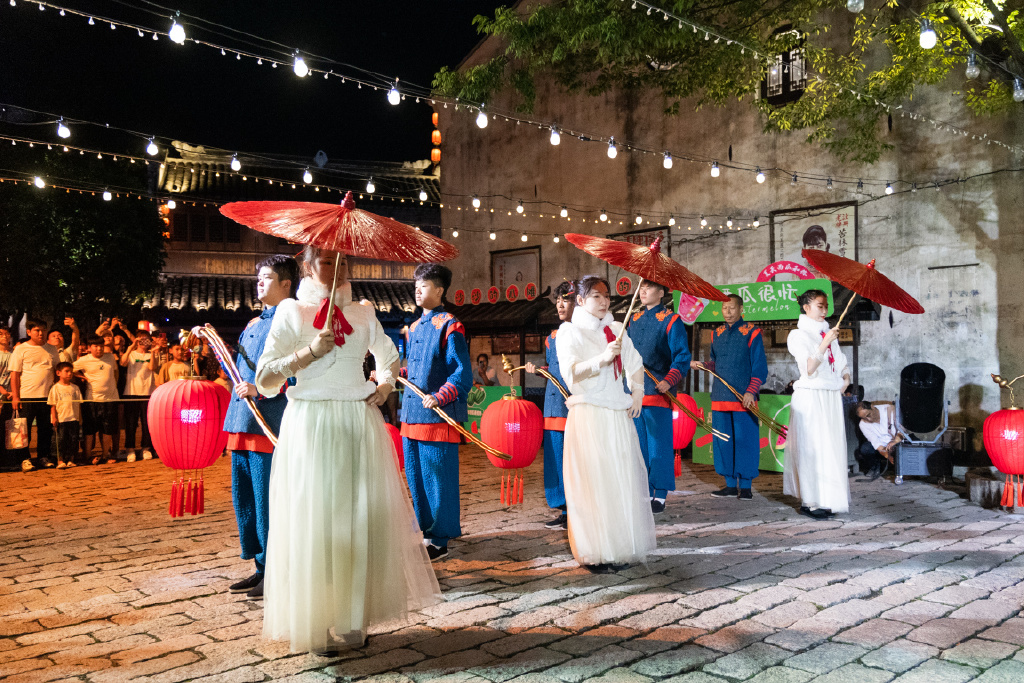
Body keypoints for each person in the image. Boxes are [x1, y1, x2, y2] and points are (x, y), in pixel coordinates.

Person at [256, 246, 440, 655]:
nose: (338, 268)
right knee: (316, 523)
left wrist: (386, 385)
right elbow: (265, 378)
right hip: (311, 424)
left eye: (345, 260)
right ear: (306, 265)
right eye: (325, 260)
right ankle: (316, 623)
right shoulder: (291, 312)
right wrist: (308, 353)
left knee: (358, 519)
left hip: (357, 422)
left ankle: (353, 619)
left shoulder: (362, 312)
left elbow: (390, 355)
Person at [556, 275, 656, 573]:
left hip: (616, 413)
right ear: (582, 301)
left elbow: (635, 363)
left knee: (619, 480)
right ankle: (595, 551)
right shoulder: (569, 332)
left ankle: (620, 546)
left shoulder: (616, 329)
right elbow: (571, 373)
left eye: (607, 296)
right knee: (593, 483)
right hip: (589, 413)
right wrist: (601, 359)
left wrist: (637, 391)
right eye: (596, 296)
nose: (604, 301)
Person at [224, 254, 298, 600]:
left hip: (270, 422)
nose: (260, 283)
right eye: (258, 278)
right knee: (246, 500)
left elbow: (297, 372)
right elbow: (239, 370)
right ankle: (259, 566)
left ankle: (277, 569)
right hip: (242, 421)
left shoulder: (294, 322)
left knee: (269, 501)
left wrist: (261, 388)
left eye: (267, 278)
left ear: (287, 283)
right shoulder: (252, 324)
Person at [401, 264, 473, 562]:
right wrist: (394, 372)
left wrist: (442, 395)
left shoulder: (450, 325)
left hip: (436, 416)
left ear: (440, 290)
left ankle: (440, 539)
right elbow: (415, 369)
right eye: (416, 284)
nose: (418, 289)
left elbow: (462, 372)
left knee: (438, 479)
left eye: (425, 285)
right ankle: (427, 532)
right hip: (410, 414)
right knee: (417, 478)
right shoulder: (414, 328)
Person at [692, 294, 768, 500]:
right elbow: (715, 364)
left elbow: (760, 368)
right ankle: (729, 485)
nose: (728, 312)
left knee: (745, 441)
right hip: (719, 396)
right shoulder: (716, 334)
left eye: (732, 308)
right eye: (725, 308)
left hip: (744, 397)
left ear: (741, 308)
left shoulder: (752, 332)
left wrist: (751, 391)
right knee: (722, 441)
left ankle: (745, 486)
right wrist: (703, 365)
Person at [783, 289, 851, 519]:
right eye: (819, 306)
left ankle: (827, 498)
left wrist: (846, 378)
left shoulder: (827, 332)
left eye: (826, 306)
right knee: (812, 448)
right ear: (806, 307)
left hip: (830, 396)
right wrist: (824, 343)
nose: (824, 310)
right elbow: (809, 368)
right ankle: (810, 501)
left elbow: (839, 362)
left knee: (829, 449)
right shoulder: (798, 335)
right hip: (811, 397)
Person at [627, 279, 691, 513]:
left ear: (662, 292)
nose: (643, 291)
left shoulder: (672, 320)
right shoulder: (632, 319)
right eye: (641, 287)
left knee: (658, 447)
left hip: (657, 390)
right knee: (638, 446)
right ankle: (642, 490)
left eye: (649, 287)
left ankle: (660, 493)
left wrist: (669, 380)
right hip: (633, 391)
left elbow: (682, 356)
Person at [524, 280, 575, 529]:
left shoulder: (582, 333)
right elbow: (553, 369)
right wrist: (539, 370)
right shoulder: (551, 337)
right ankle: (563, 510)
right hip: (552, 406)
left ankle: (578, 510)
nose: (560, 305)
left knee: (572, 461)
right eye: (558, 301)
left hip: (573, 407)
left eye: (566, 300)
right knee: (554, 461)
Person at [9, 318, 60, 471]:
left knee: (45, 429)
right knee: (24, 430)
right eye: (37, 330)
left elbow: (56, 372)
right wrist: (16, 397)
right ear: (29, 332)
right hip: (26, 396)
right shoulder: (21, 349)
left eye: (43, 330)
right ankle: (24, 459)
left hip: (47, 396)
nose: (40, 333)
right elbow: (15, 375)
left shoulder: (52, 349)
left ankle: (43, 457)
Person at [74, 336, 121, 465]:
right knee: (90, 430)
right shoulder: (84, 360)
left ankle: (106, 454)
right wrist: (82, 376)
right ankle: (88, 456)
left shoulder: (110, 357)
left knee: (107, 429)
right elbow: (69, 370)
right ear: (89, 348)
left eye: (101, 346)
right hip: (92, 399)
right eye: (95, 346)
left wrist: (113, 386)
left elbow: (116, 372)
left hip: (110, 399)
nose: (99, 348)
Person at [120, 331, 156, 462]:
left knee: (147, 423)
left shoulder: (151, 354)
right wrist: (131, 346)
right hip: (131, 392)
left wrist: (153, 351)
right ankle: (130, 449)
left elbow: (152, 367)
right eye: (142, 339)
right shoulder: (132, 354)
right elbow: (122, 363)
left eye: (147, 340)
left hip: (148, 393)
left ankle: (146, 448)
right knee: (130, 423)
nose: (144, 342)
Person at [855, 400, 901, 480]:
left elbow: (903, 430)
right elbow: (876, 443)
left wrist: (895, 441)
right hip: (883, 446)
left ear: (872, 407)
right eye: (864, 418)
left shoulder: (889, 409)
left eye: (868, 415)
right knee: (865, 448)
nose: (868, 419)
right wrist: (887, 455)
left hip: (897, 440)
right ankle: (875, 467)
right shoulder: (863, 424)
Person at [48, 362, 82, 469]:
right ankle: (60, 460)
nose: (69, 374)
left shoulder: (75, 388)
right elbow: (52, 404)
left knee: (72, 439)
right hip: (61, 418)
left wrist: (79, 418)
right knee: (60, 440)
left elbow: (79, 403)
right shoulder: (55, 388)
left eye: (71, 371)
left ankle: (70, 459)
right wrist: (54, 417)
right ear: (58, 373)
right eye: (66, 371)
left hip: (73, 418)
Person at [0, 327, 13, 468]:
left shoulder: (14, 353)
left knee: (7, 428)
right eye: (0, 334)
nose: (4, 336)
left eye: (6, 333)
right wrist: (3, 391)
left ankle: (7, 459)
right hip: (2, 394)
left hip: (11, 396)